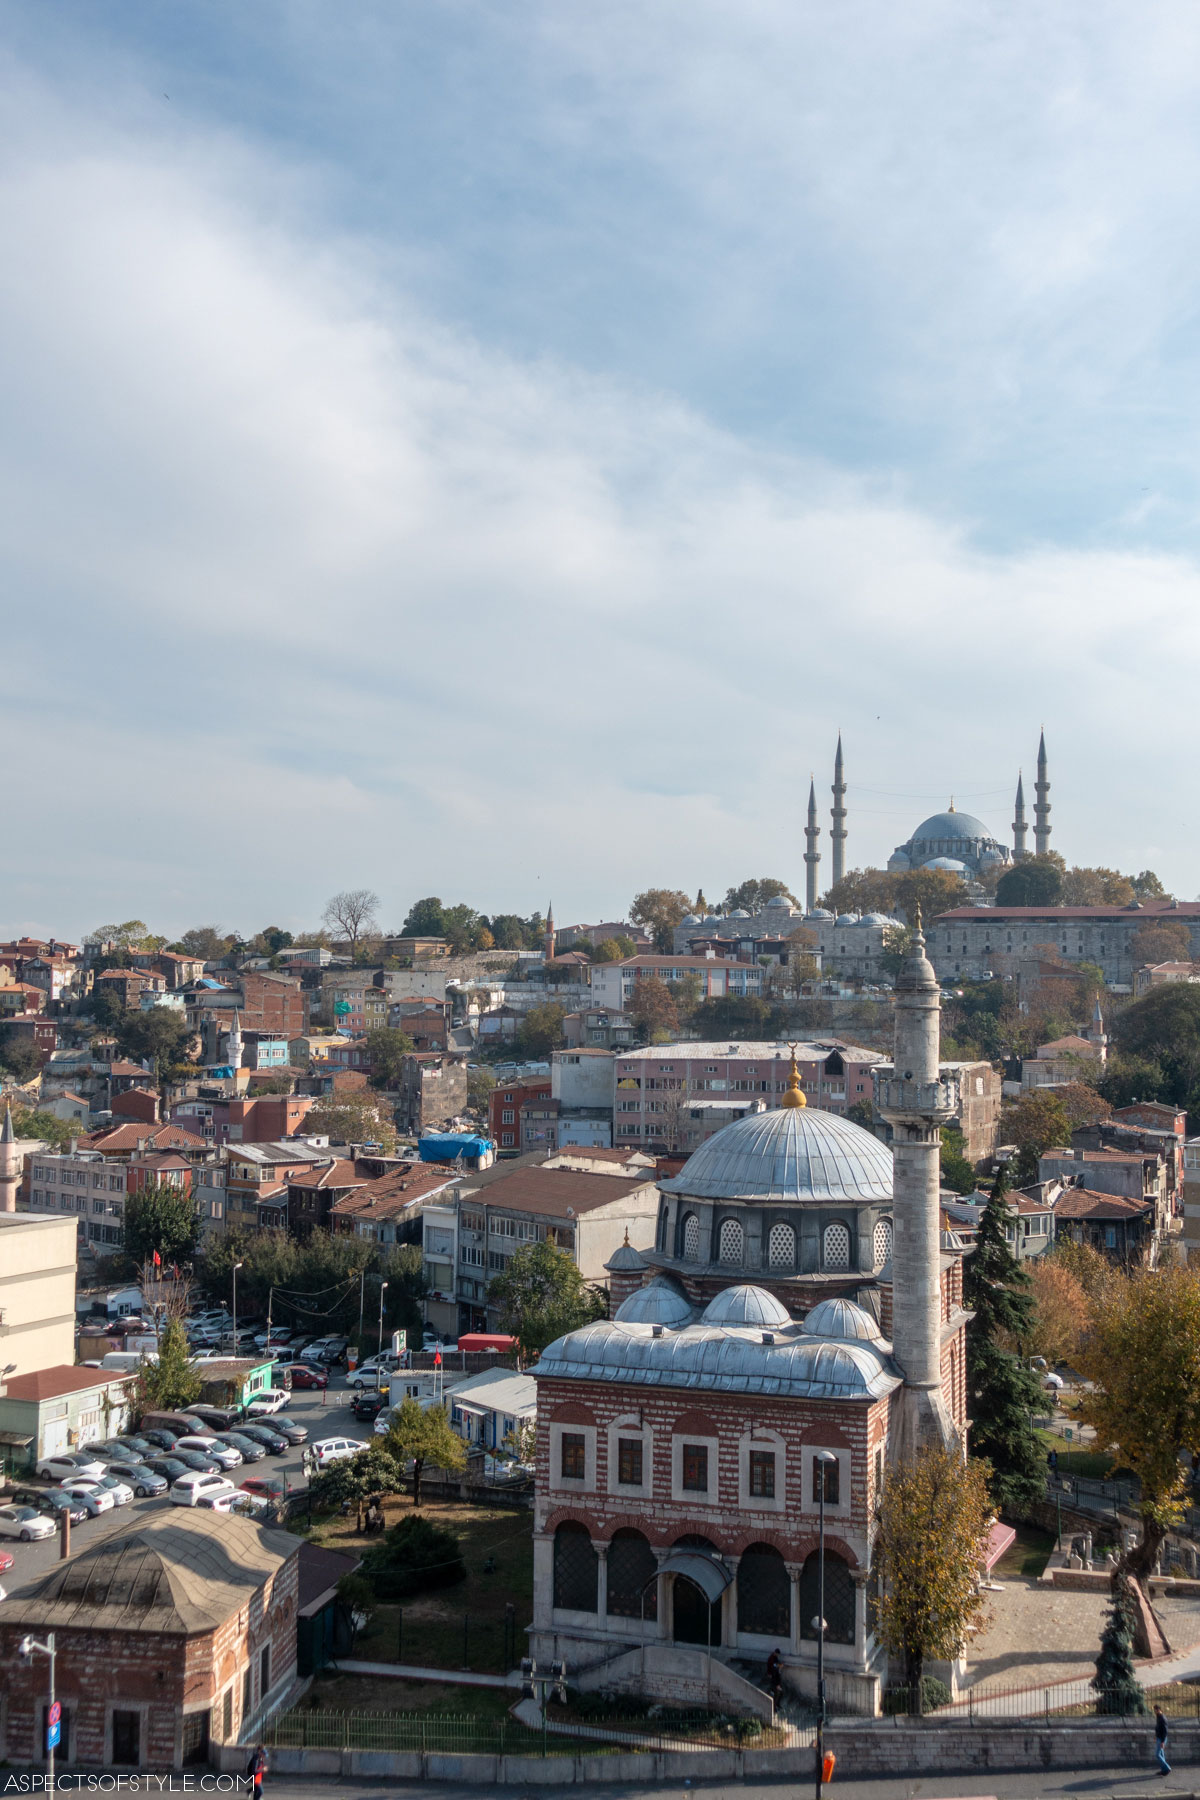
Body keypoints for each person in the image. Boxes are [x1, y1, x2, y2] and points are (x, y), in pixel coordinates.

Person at [1154, 1704, 1171, 1774]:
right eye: (1154, 1710)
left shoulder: (1162, 1718)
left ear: (1159, 1710)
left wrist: (1163, 1742)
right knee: (1161, 1754)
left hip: (1161, 1739)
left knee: (1157, 1754)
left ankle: (1167, 1768)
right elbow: (1158, 1728)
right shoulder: (1158, 1716)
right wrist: (1156, 1735)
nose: (1155, 1711)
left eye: (1156, 1710)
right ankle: (1164, 1770)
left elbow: (1165, 1731)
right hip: (1159, 1738)